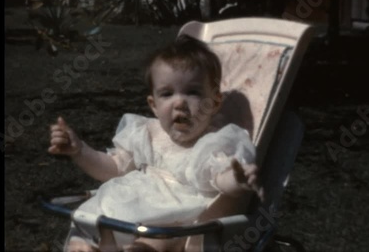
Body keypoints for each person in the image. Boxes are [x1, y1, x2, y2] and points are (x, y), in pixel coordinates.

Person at [48, 35, 264, 252]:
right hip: (127, 207)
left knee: (159, 241)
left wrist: (236, 180)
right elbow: (113, 168)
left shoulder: (213, 144)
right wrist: (80, 151)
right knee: (84, 230)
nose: (179, 102)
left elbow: (219, 177)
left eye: (193, 92)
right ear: (154, 105)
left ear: (215, 102)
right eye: (167, 94)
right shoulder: (147, 133)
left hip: (176, 218)